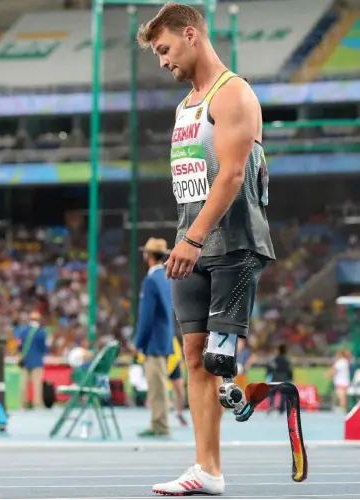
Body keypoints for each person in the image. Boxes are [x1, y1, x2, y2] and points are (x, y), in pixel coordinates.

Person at [137, 3, 275, 495]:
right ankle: (207, 470)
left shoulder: (232, 93)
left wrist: (193, 239)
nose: (162, 61)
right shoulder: (185, 106)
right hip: (190, 245)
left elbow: (235, 175)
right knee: (194, 358)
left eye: (165, 49)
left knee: (217, 360)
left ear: (190, 35)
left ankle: (252, 392)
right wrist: (186, 238)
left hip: (233, 244)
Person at [135, 238, 174, 437]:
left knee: (156, 386)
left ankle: (160, 424)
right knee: (159, 384)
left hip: (153, 342)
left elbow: (146, 315)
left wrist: (138, 342)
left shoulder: (150, 280)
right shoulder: (167, 277)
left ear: (148, 256)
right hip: (165, 339)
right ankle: (160, 422)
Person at [18, 311, 49, 409]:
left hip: (25, 361)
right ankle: (37, 403)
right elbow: (44, 348)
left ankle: (23, 404)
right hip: (37, 361)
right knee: (37, 385)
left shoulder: (23, 331)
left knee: (23, 384)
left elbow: (20, 347)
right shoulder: (41, 332)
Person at [266, 344, 293, 414]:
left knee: (272, 393)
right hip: (283, 380)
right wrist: (290, 379)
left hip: (274, 379)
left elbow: (269, 369)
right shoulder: (287, 360)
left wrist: (267, 376)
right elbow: (290, 371)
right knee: (283, 394)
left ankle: (271, 406)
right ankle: (281, 409)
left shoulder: (274, 359)